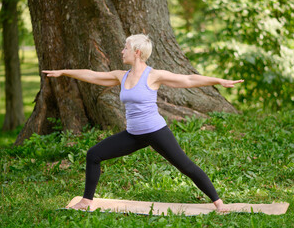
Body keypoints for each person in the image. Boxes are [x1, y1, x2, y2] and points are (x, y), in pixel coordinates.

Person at [43, 34, 244, 213]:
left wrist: (218, 80)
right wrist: (64, 72)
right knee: (94, 155)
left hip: (156, 131)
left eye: (125, 48)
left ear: (137, 52)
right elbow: (92, 75)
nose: (122, 51)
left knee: (186, 166)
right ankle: (86, 201)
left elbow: (189, 80)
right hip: (133, 135)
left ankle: (219, 203)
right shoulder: (121, 76)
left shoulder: (154, 75)